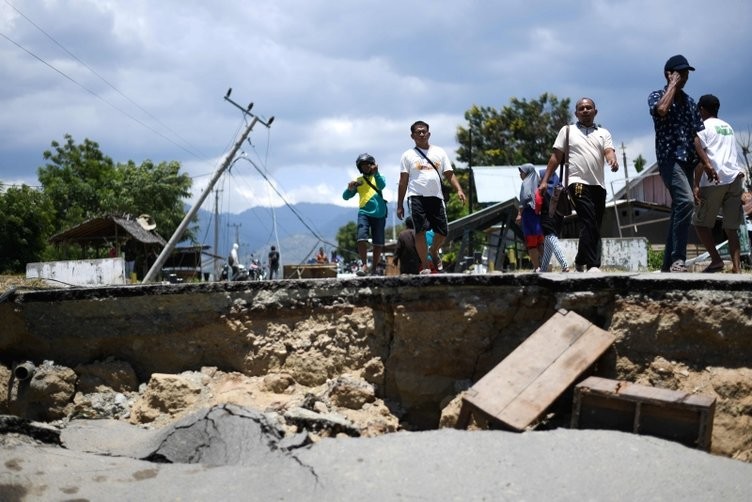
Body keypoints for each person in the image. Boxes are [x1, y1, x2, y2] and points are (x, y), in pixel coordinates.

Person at [648, 54, 714, 272]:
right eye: (681, 73)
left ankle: (668, 264)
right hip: (669, 159)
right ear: (669, 74)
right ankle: (679, 259)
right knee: (686, 202)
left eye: (686, 73)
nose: (685, 77)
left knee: (680, 208)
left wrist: (706, 163)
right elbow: (662, 110)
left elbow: (695, 136)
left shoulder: (690, 102)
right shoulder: (657, 95)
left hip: (687, 161)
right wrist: (673, 85)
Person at [539, 97, 619, 273]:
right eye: (581, 108)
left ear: (595, 112)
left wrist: (612, 160)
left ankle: (580, 259)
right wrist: (545, 180)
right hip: (576, 182)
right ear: (576, 113)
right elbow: (556, 157)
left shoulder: (603, 133)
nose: (585, 110)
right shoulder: (567, 131)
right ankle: (593, 265)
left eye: (588, 108)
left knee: (593, 225)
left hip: (598, 185)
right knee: (589, 219)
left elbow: (609, 151)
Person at [397, 120, 466, 275]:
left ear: (429, 134)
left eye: (424, 131)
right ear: (412, 136)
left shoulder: (439, 152)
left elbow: (449, 173)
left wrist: (459, 190)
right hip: (416, 196)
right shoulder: (407, 155)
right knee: (420, 231)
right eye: (418, 132)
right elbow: (403, 181)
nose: (421, 134)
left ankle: (434, 250)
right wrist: (400, 204)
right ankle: (426, 265)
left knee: (443, 231)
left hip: (436, 197)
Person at [692, 94, 745, 273]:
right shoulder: (727, 126)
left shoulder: (703, 127)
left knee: (700, 223)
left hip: (715, 180)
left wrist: (696, 184)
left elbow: (702, 157)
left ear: (702, 109)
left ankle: (716, 261)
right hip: (735, 179)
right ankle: (737, 268)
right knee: (731, 228)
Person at [342, 153, 387, 276]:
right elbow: (345, 197)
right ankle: (364, 265)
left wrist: (376, 173)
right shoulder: (359, 181)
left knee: (378, 243)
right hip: (364, 213)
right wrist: (349, 188)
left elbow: (382, 185)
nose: (366, 167)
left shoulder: (379, 177)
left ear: (373, 165)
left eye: (368, 164)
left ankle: (374, 269)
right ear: (359, 168)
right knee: (361, 238)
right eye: (363, 166)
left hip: (380, 213)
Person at [538, 169, 570, 272]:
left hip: (547, 218)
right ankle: (543, 269)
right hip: (558, 218)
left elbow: (538, 204)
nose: (540, 179)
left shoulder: (544, 190)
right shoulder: (558, 188)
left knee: (551, 238)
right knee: (548, 242)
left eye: (541, 177)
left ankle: (564, 265)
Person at [516, 164, 544, 271]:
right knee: (539, 241)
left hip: (528, 215)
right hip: (538, 214)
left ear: (527, 173)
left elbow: (524, 201)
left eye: (522, 172)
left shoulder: (526, 184)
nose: (520, 174)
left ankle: (537, 267)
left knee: (531, 242)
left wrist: (519, 214)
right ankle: (546, 263)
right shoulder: (539, 182)